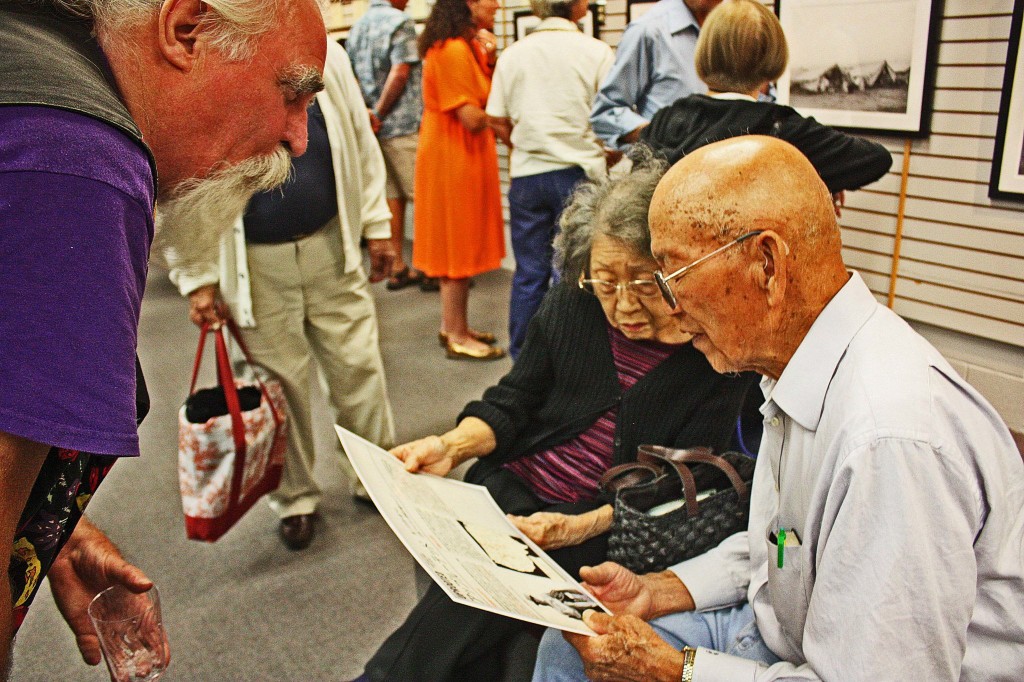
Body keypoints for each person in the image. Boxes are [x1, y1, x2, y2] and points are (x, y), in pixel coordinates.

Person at [532, 136, 1024, 681]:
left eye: (672, 276)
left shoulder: (889, 439)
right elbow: (783, 547)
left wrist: (676, 672)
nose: (668, 305)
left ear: (766, 264)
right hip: (781, 633)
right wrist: (656, 590)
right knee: (570, 643)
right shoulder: (799, 369)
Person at [0, 0, 327, 673]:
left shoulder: (32, 54)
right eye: (290, 94)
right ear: (187, 30)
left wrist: (46, 534)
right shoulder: (79, 155)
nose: (298, 136)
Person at [354, 157, 760, 682]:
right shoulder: (575, 301)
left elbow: (696, 480)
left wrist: (578, 524)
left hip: (605, 522)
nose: (622, 305)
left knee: (483, 587)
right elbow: (515, 399)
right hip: (515, 486)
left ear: (679, 272)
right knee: (488, 563)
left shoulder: (717, 354)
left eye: (642, 283)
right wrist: (450, 446)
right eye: (605, 282)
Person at [167, 40, 398, 551]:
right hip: (253, 262)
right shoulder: (208, 57)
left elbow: (358, 140)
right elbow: (183, 173)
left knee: (357, 365)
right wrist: (197, 275)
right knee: (276, 383)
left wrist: (378, 223)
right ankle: (295, 499)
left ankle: (377, 478)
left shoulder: (326, 51)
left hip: (330, 243)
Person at [641, 0, 892, 204]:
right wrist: (811, 177)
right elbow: (875, 159)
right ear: (772, 60)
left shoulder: (665, 119)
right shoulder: (779, 128)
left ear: (705, 51)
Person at [485, 0, 614, 360]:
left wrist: (527, 144)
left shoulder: (512, 55)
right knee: (572, 277)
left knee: (529, 273)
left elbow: (496, 118)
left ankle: (523, 360)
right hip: (579, 176)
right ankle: (567, 360)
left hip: (527, 176)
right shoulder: (597, 53)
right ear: (576, 6)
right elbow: (608, 120)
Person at [412, 0, 508, 360]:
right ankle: (454, 332)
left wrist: (492, 56)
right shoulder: (452, 49)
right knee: (457, 246)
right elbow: (470, 116)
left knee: (460, 243)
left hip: (460, 155)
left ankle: (456, 325)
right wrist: (506, 123)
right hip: (454, 158)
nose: (497, 4)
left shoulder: (464, 46)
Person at [348, 0, 436, 292]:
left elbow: (354, 79)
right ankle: (431, 268)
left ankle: (397, 266)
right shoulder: (400, 22)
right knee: (423, 196)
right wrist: (381, 112)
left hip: (374, 129)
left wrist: (369, 115)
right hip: (403, 125)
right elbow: (400, 72)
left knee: (392, 198)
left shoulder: (359, 25)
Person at [590, 0, 721, 150]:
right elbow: (607, 113)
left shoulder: (738, 26)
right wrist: (659, 136)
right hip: (668, 167)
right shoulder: (648, 29)